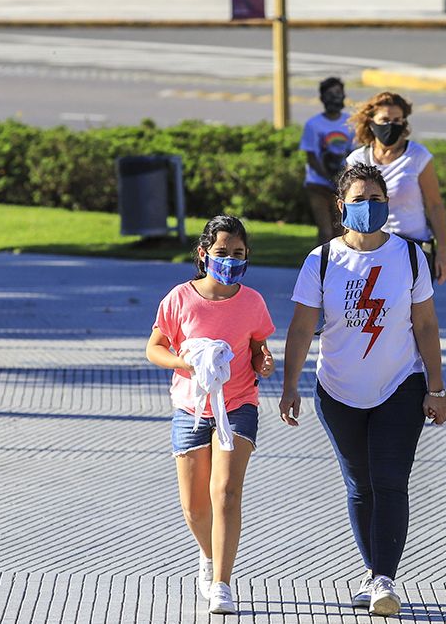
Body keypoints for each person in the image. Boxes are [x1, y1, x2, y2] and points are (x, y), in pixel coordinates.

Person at [279, 162, 446, 617]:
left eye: (377, 199)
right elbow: (301, 329)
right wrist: (290, 385)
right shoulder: (321, 261)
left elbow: (426, 325)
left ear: (388, 204)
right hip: (338, 391)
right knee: (360, 485)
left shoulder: (409, 256)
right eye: (359, 200)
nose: (369, 207)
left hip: (400, 384)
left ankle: (384, 579)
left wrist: (436, 387)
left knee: (390, 481)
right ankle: (375, 570)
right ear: (341, 206)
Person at [146, 215, 276, 616]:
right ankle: (208, 554)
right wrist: (184, 364)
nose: (230, 260)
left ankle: (221, 583)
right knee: (194, 507)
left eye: (238, 253)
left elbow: (258, 347)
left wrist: (264, 359)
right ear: (204, 254)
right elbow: (154, 347)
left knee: (226, 493)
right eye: (222, 252)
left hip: (238, 405)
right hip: (190, 407)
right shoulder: (180, 298)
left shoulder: (252, 302)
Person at [345, 92, 446, 284]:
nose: (391, 126)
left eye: (397, 120)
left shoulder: (417, 156)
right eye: (385, 120)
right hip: (371, 248)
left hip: (412, 248)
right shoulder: (357, 159)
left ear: (404, 122)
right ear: (371, 122)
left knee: (413, 302)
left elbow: (435, 205)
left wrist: (442, 252)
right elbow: (350, 208)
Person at [300, 77, 353, 244]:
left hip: (342, 184)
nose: (334, 98)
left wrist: (342, 180)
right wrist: (330, 179)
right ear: (322, 98)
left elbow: (353, 152)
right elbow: (312, 157)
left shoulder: (350, 123)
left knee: (340, 230)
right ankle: (321, 259)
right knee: (325, 231)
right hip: (318, 185)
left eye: (338, 93)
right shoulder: (313, 124)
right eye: (330, 94)